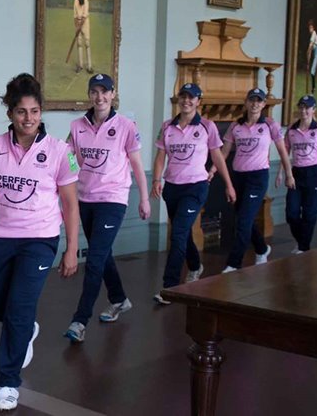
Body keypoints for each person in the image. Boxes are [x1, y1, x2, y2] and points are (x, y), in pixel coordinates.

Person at [0, 73, 80, 411]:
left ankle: (7, 381)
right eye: (21, 112)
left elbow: (71, 203)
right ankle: (26, 327)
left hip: (41, 239)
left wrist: (71, 248)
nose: (28, 119)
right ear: (10, 114)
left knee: (16, 308)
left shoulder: (60, 151)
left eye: (34, 111)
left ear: (41, 112)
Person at [65, 73, 150, 342]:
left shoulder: (126, 126)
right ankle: (119, 299)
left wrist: (145, 198)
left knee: (94, 259)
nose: (99, 97)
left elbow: (136, 164)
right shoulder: (77, 126)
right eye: (95, 91)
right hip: (85, 199)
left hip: (113, 199)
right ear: (89, 94)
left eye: (105, 91)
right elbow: (66, 160)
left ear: (113, 94)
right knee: (103, 256)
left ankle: (80, 321)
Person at [150, 83, 235, 304]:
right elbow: (160, 156)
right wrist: (156, 180)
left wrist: (228, 184)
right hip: (172, 187)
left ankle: (170, 286)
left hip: (196, 187)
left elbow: (216, 156)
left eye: (191, 97)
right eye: (183, 96)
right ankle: (196, 266)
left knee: (177, 233)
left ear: (198, 101)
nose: (186, 101)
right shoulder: (167, 126)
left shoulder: (207, 126)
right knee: (183, 232)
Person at [211, 88, 294, 273]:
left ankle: (234, 263)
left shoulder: (270, 124)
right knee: (244, 218)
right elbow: (223, 153)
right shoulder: (236, 126)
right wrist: (212, 170)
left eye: (259, 101)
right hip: (239, 176)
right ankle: (262, 248)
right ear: (246, 103)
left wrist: (288, 173)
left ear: (264, 104)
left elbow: (282, 151)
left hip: (258, 177)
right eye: (252, 100)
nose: (255, 104)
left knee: (243, 220)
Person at [278, 95, 317, 253]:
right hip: (296, 173)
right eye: (301, 107)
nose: (304, 110)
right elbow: (285, 152)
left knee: (309, 214)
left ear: (313, 110)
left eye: (307, 107)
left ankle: (303, 247)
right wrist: (281, 173)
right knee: (291, 213)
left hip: (314, 172)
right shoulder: (292, 129)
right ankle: (302, 242)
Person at [73, 0, 93, 74]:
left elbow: (85, 14)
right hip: (77, 23)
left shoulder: (86, 1)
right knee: (79, 43)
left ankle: (89, 66)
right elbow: (75, 14)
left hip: (85, 23)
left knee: (87, 43)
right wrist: (77, 24)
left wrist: (82, 22)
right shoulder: (75, 1)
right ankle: (80, 65)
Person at [307, 20, 317, 94]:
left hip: (316, 50)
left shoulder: (314, 34)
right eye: (309, 28)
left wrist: (308, 51)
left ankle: (313, 87)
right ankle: (313, 87)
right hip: (313, 50)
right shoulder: (312, 34)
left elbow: (311, 44)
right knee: (311, 70)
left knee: (312, 70)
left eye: (311, 28)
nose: (310, 29)